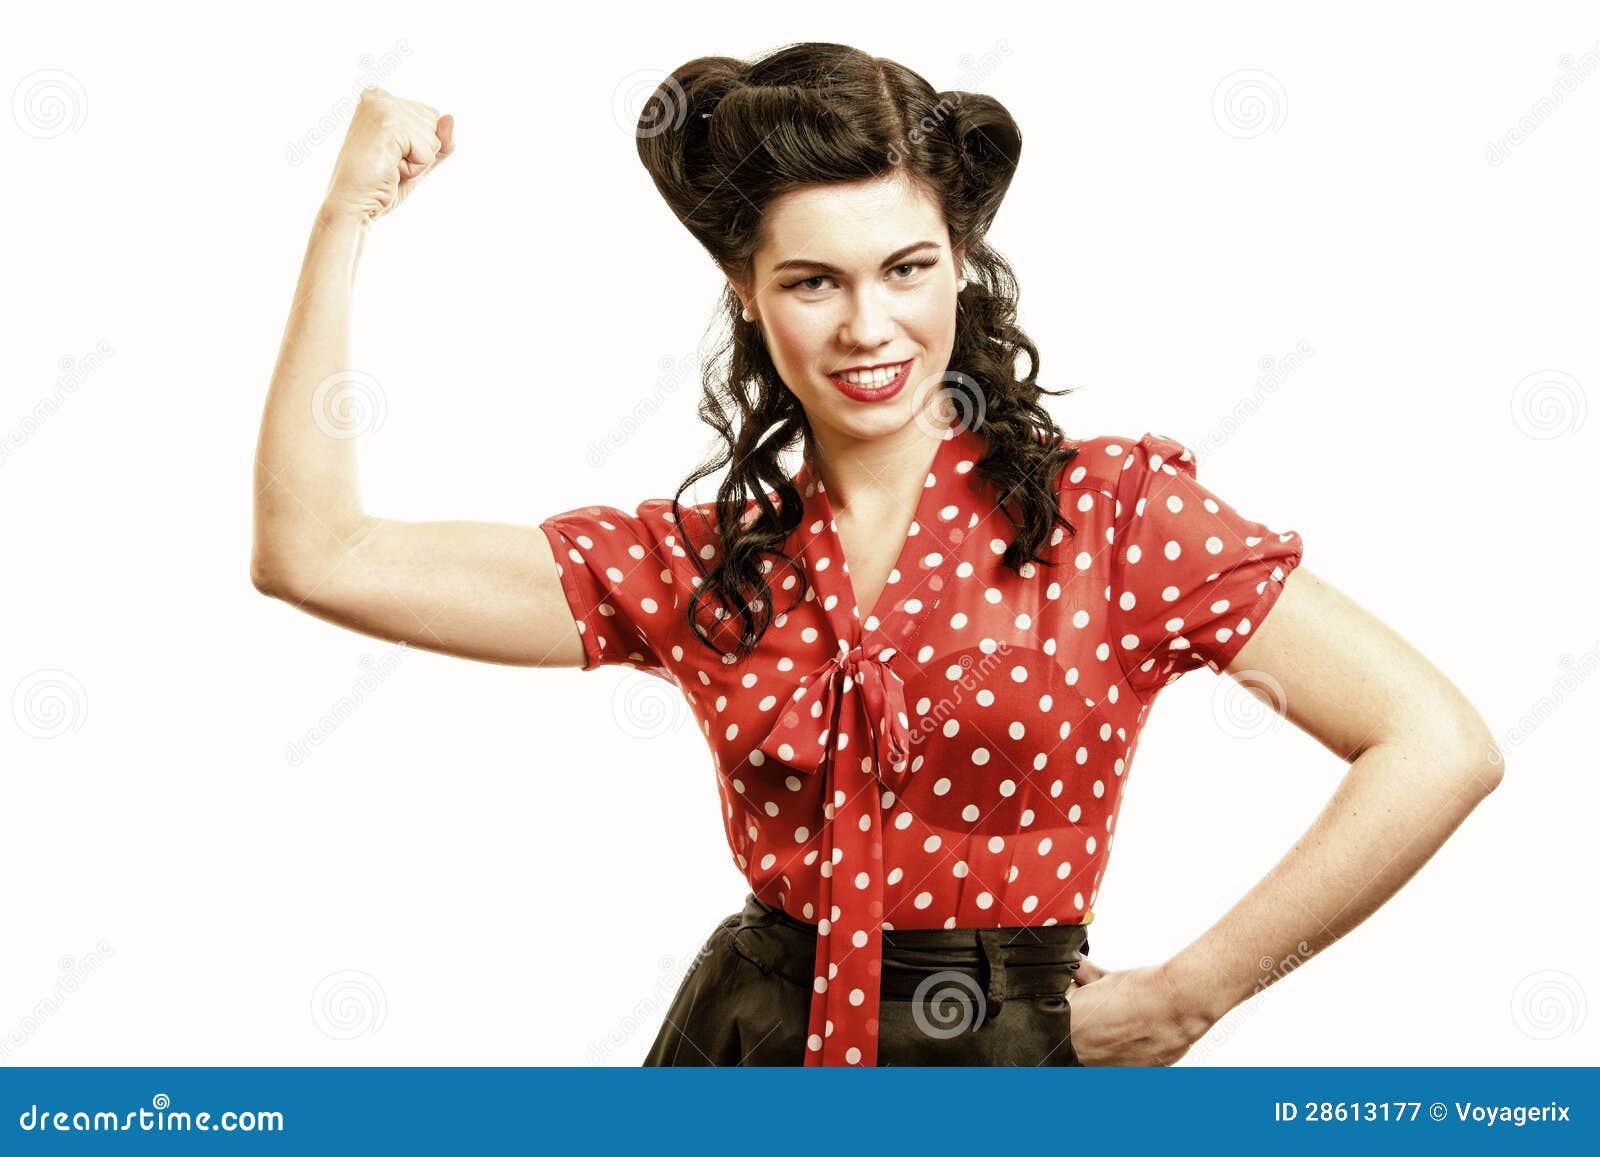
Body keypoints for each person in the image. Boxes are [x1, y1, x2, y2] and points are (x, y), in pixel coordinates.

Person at [251, 43, 1505, 1068]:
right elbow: (321, 553)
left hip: (1009, 1058)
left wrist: (1197, 990)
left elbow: (1435, 744)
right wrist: (345, 213)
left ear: (961, 259)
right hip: (744, 1044)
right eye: (811, 281)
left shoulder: (1113, 520)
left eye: (906, 267)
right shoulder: (705, 566)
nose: (868, 326)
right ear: (747, 290)